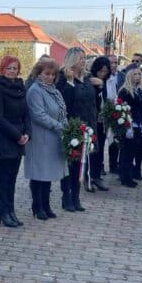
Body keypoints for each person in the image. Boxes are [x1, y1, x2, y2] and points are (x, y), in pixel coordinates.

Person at [24, 58, 68, 220]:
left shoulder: (54, 90)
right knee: (39, 174)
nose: (50, 77)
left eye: (52, 74)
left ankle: (46, 205)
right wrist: (59, 125)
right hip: (40, 138)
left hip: (53, 137)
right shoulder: (35, 90)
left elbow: (62, 112)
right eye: (46, 74)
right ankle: (37, 206)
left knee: (48, 174)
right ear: (38, 74)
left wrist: (67, 126)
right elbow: (38, 115)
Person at [0, 55, 30, 227]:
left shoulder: (21, 87)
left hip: (19, 138)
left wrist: (27, 133)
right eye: (9, 68)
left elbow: (27, 113)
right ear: (2, 69)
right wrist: (17, 135)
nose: (12, 71)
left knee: (12, 178)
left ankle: (11, 211)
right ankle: (3, 212)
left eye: (15, 68)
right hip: (5, 138)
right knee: (4, 177)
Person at [56, 47, 97, 212]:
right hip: (72, 127)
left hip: (88, 127)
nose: (83, 61)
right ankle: (66, 197)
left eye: (84, 58)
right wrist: (70, 82)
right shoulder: (62, 79)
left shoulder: (86, 79)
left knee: (82, 164)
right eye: (80, 58)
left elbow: (92, 102)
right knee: (70, 165)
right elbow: (64, 102)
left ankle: (76, 197)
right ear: (72, 60)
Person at [117, 68, 142, 188]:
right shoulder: (125, 91)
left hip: (138, 124)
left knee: (133, 152)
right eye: (135, 74)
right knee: (127, 153)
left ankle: (130, 174)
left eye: (139, 74)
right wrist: (127, 126)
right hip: (129, 124)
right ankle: (125, 177)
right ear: (129, 76)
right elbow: (122, 108)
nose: (138, 76)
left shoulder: (139, 90)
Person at [88, 56, 111, 191]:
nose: (103, 74)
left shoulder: (104, 82)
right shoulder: (91, 81)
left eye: (105, 72)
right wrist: (99, 86)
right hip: (92, 120)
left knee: (100, 149)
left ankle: (96, 176)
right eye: (101, 71)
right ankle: (88, 177)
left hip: (101, 122)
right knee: (90, 150)